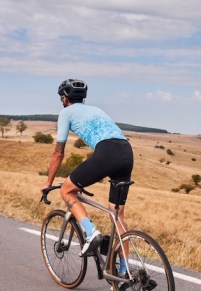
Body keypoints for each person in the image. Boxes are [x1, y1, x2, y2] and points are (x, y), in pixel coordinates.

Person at [40, 79, 134, 271]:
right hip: (126, 151)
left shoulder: (65, 112)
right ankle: (125, 270)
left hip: (107, 152)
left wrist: (48, 182)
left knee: (67, 191)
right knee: (117, 214)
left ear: (64, 98)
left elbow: (58, 152)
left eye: (61, 98)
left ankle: (91, 233)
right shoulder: (96, 110)